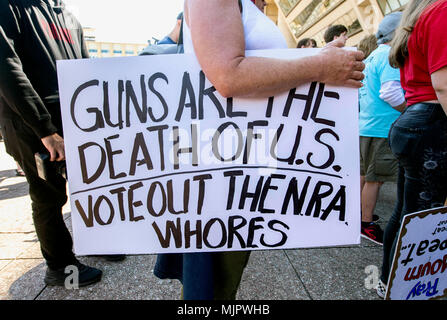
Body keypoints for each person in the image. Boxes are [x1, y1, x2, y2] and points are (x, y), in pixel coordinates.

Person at [153, 0, 365, 300]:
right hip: (222, 164)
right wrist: (319, 66)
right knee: (212, 284)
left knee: (219, 279)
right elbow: (228, 76)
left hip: (242, 158)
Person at [0, 0, 124, 288]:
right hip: (31, 123)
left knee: (90, 187)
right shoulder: (10, 6)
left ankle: (95, 242)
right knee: (49, 197)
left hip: (75, 118)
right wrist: (46, 130)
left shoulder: (66, 13)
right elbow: (6, 67)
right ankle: (60, 267)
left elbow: (84, 66)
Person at [377, 0, 447, 298]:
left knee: (408, 213)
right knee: (422, 216)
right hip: (431, 123)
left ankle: (389, 282)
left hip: (416, 121)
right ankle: (408, 290)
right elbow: (443, 84)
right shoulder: (442, 11)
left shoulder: (418, 17)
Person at [358, 12, 405, 246]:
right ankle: (365, 223)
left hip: (366, 124)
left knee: (365, 175)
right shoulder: (389, 56)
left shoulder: (371, 57)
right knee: (375, 179)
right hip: (382, 128)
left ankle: (358, 215)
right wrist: (409, 109)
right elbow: (390, 92)